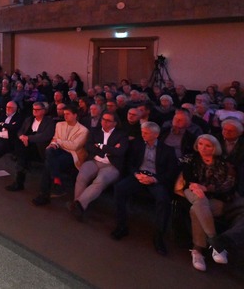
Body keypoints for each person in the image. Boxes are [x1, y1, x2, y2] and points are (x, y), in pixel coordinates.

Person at [112, 122, 178, 255]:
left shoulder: (168, 150)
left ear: (156, 135)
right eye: (142, 132)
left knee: (163, 200)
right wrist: (136, 174)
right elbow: (130, 163)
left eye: (146, 133)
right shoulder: (138, 143)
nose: (143, 135)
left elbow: (171, 172)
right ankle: (121, 226)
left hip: (156, 178)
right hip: (139, 175)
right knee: (120, 188)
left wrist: (154, 179)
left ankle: (159, 236)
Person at [176, 134, 236, 270]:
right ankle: (216, 245)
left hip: (216, 198)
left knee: (196, 208)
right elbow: (188, 177)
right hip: (192, 191)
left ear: (215, 148)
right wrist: (196, 186)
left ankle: (197, 250)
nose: (203, 148)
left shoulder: (225, 163)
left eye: (208, 145)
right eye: (201, 144)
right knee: (199, 198)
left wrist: (207, 188)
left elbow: (228, 184)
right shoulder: (190, 158)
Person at [70, 111, 128, 221]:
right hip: (95, 161)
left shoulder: (121, 134)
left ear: (114, 123)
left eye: (108, 120)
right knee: (82, 176)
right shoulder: (95, 131)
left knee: (100, 180)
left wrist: (101, 146)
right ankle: (80, 206)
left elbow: (120, 152)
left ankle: (78, 204)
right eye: (103, 119)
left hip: (112, 165)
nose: (104, 122)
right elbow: (89, 146)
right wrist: (108, 150)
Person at [31, 103, 88, 204]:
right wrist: (54, 144)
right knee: (49, 150)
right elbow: (55, 138)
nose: (65, 116)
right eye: (64, 114)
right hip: (58, 150)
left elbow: (74, 146)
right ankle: (56, 179)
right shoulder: (59, 124)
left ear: (75, 115)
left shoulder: (83, 130)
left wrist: (58, 142)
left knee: (48, 165)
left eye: (68, 114)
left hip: (73, 154)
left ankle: (44, 194)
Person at [6, 101, 56, 192]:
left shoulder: (49, 122)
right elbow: (20, 131)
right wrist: (22, 137)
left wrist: (27, 138)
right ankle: (19, 181)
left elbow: (45, 136)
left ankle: (19, 182)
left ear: (43, 111)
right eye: (33, 109)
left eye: (37, 109)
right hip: (26, 144)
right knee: (21, 149)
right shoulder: (29, 119)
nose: (35, 111)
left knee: (22, 152)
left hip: (39, 146)